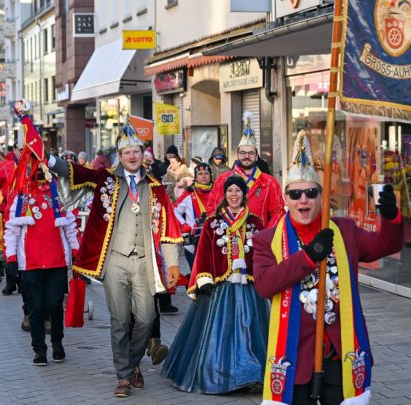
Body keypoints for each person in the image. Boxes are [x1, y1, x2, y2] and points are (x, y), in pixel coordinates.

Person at [254, 130, 403, 405]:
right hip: (294, 353)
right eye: (295, 193)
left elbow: (384, 246)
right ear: (286, 199)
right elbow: (265, 284)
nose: (303, 200)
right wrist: (309, 257)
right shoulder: (267, 240)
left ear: (322, 196)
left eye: (311, 193)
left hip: (340, 351)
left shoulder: (343, 230)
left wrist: (391, 218)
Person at [49, 120, 182, 398]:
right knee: (120, 321)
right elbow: (74, 171)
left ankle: (132, 364)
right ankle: (123, 376)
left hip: (144, 261)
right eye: (127, 153)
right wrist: (47, 157)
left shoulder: (156, 187)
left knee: (146, 318)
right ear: (120, 157)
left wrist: (172, 264)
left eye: (136, 152)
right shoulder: (104, 179)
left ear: (143, 154)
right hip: (115, 261)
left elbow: (168, 228)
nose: (132, 156)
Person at [162, 175, 269, 393]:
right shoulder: (212, 223)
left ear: (244, 194)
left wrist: (264, 276)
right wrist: (203, 278)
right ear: (224, 194)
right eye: (230, 191)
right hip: (221, 288)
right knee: (220, 333)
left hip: (248, 287)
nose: (234, 195)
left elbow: (262, 254)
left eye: (238, 191)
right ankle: (222, 376)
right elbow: (202, 253)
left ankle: (251, 374)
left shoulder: (256, 222)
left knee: (249, 331)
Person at [5, 167, 79, 365]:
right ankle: (39, 349)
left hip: (57, 261)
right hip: (31, 263)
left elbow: (70, 225)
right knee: (35, 308)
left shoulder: (59, 194)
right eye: (35, 168)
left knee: (55, 305)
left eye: (42, 168)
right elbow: (11, 229)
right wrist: (11, 257)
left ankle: (57, 343)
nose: (39, 172)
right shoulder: (22, 196)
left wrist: (75, 249)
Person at [208, 111, 285, 227]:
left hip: (259, 236)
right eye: (243, 153)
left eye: (251, 153)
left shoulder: (269, 183)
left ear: (257, 156)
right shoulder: (222, 180)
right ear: (237, 155)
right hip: (228, 235)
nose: (246, 156)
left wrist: (266, 234)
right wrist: (222, 232)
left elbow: (278, 212)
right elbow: (212, 210)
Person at [173, 162, 213, 270]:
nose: (203, 176)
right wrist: (183, 225)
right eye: (200, 174)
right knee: (196, 273)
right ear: (195, 177)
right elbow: (174, 210)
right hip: (193, 242)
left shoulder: (217, 192)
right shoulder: (189, 193)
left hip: (214, 239)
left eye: (206, 173)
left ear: (210, 176)